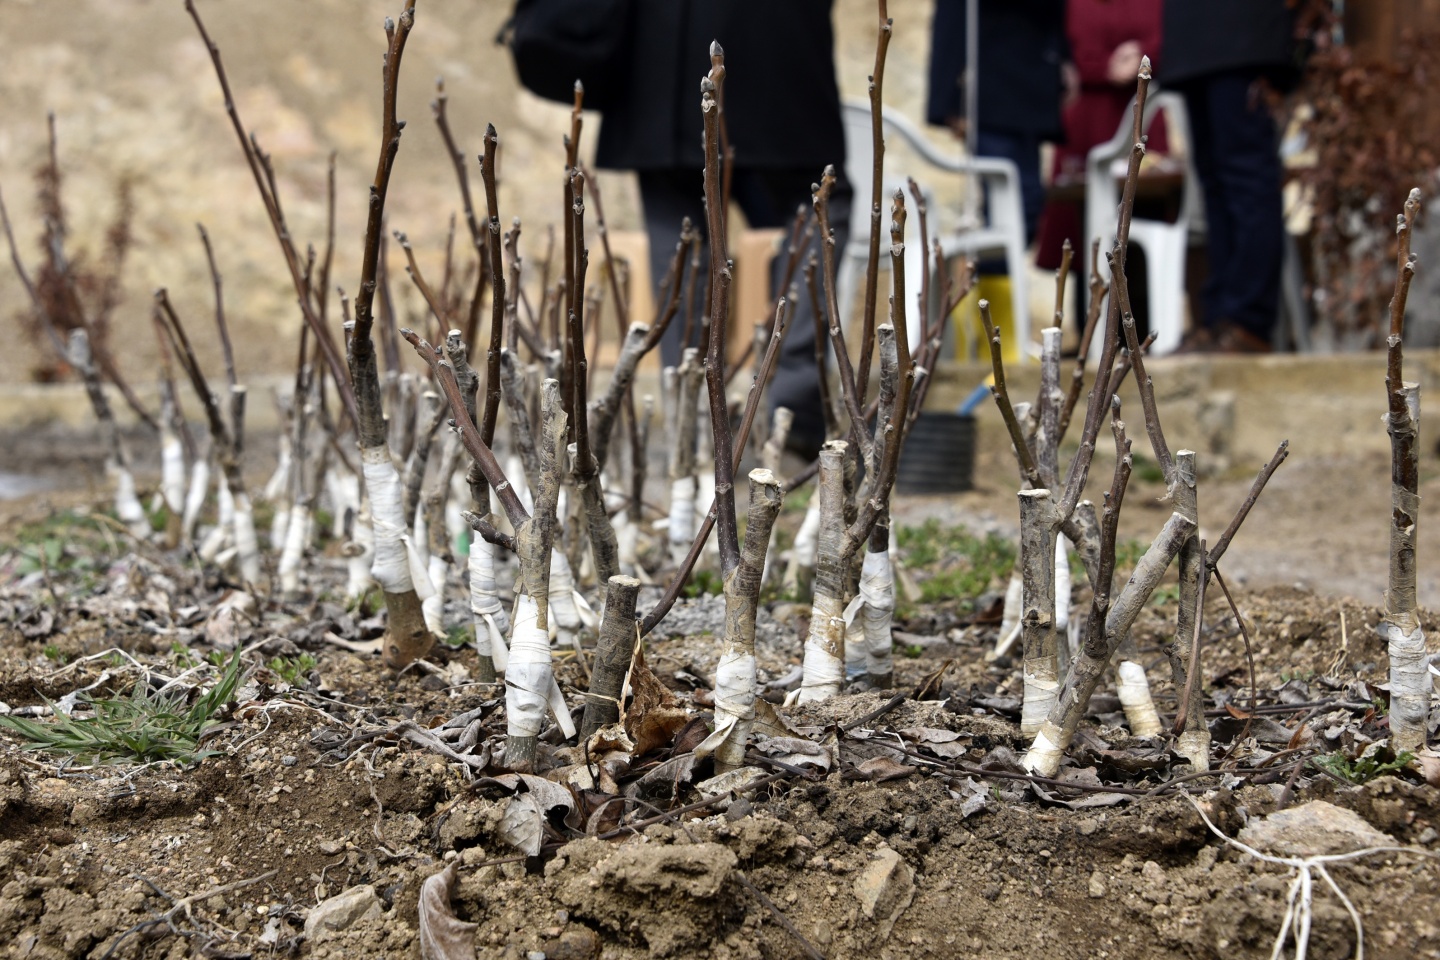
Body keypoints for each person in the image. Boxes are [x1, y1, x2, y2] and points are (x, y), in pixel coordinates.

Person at [594, 1, 850, 459]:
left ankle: (696, 415)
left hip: (666, 67)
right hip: (769, 58)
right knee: (814, 212)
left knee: (688, 234)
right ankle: (786, 404)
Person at [1162, 0, 1297, 354]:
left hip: (1245, 34)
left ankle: (1248, 320)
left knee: (1245, 177)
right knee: (1215, 183)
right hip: (1193, 40)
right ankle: (1220, 318)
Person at [926, 0, 1070, 243]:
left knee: (1027, 204)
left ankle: (992, 275)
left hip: (1028, 93)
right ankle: (990, 274)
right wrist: (946, 100)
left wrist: (1064, 60)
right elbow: (952, 17)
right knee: (1012, 207)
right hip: (990, 97)